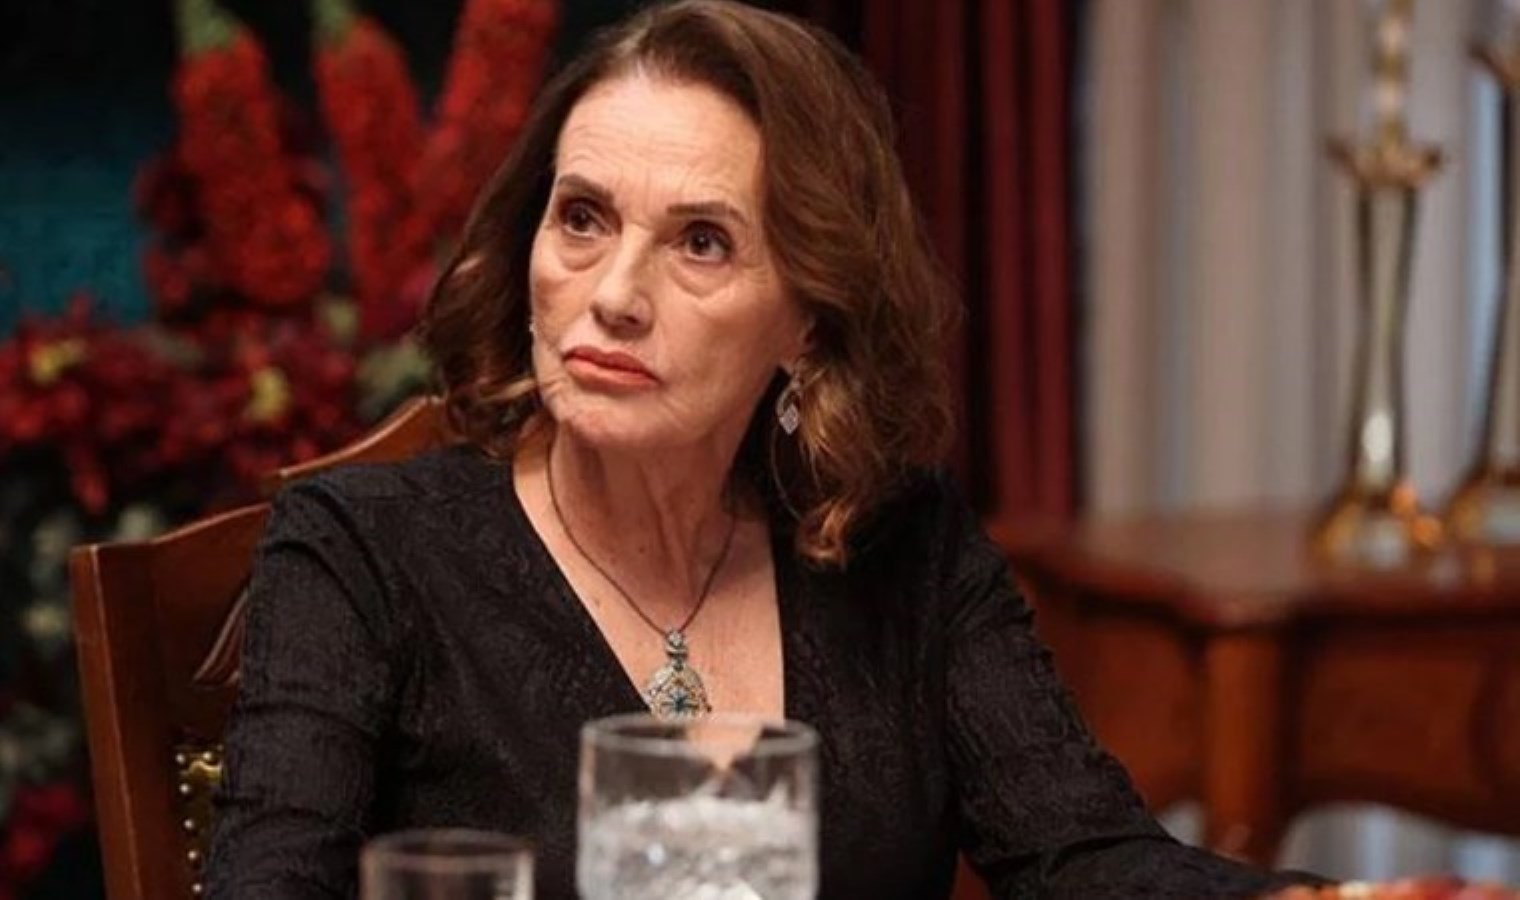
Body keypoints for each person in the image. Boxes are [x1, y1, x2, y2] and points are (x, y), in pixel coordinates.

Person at [206, 2, 1325, 897]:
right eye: (583, 218)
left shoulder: (904, 547)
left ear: (808, 322)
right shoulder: (360, 553)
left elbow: (1084, 861)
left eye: (701, 242)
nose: (614, 295)